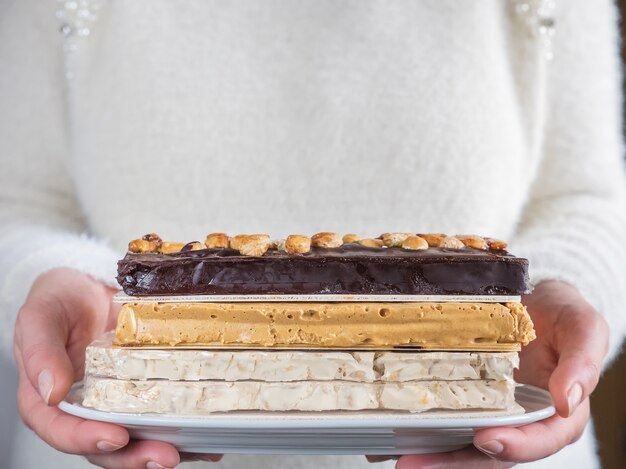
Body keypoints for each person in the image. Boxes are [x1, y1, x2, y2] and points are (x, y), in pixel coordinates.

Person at [1, 1, 625, 468]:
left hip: (501, 422)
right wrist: (57, 292)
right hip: (113, 417)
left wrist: (566, 300)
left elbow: (588, 197)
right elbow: (18, 200)